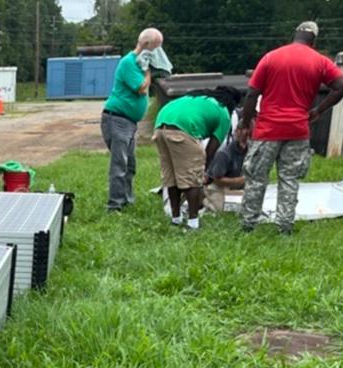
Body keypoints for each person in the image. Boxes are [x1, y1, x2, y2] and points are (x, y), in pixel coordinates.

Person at [237, 22, 343, 235]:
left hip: (268, 129)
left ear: (294, 36)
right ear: (313, 41)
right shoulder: (320, 61)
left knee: (256, 176)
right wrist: (319, 110)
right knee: (289, 179)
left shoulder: (271, 57)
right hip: (298, 129)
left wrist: (245, 124)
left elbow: (252, 93)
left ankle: (248, 225)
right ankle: (285, 226)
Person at [152, 87, 241, 229]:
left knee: (172, 177)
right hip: (183, 129)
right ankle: (193, 223)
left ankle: (176, 219)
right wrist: (204, 171)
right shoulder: (223, 111)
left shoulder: (197, 98)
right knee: (193, 180)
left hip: (160, 125)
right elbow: (212, 148)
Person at [102, 28, 163, 212]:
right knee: (119, 164)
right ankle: (115, 205)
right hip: (117, 119)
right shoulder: (129, 63)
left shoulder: (138, 65)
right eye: (155, 48)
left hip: (129, 123)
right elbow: (142, 88)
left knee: (130, 165)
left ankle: (127, 199)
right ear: (145, 45)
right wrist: (149, 71)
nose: (156, 53)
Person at [204, 130, 247, 212]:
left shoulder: (252, 150)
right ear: (236, 133)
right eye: (244, 138)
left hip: (239, 182)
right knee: (218, 210)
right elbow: (217, 180)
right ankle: (203, 200)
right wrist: (240, 180)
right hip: (216, 184)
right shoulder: (224, 153)